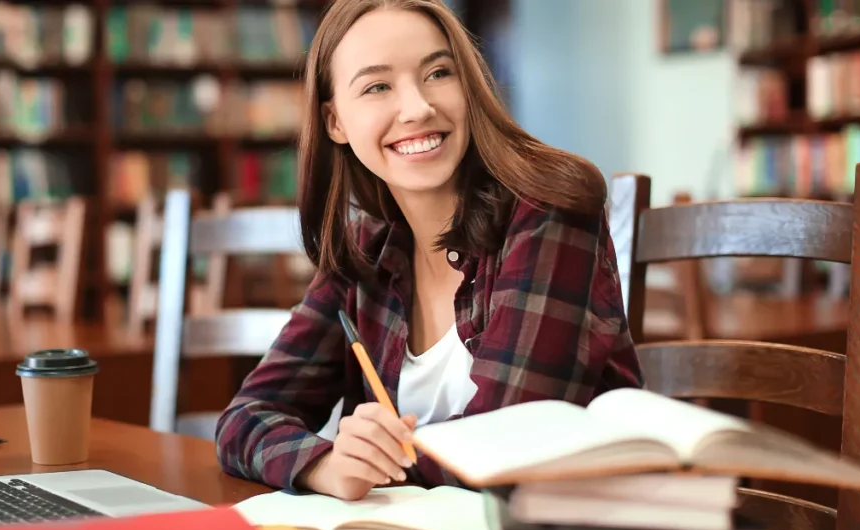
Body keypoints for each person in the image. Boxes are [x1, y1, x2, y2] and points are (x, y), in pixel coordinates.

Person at [215, 0, 642, 501]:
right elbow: (245, 419)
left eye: (439, 73)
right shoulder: (366, 252)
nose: (417, 107)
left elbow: (508, 449)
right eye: (377, 86)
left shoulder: (547, 210)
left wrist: (378, 462)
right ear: (335, 122)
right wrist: (324, 464)